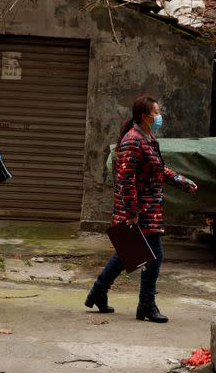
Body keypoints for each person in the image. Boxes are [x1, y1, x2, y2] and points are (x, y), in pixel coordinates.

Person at [85, 95, 198, 323]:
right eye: (156, 113)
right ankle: (146, 305)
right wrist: (131, 212)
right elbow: (126, 179)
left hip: (148, 209)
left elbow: (159, 169)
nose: (159, 116)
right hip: (140, 211)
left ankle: (98, 292)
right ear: (145, 117)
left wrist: (182, 181)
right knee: (153, 256)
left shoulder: (147, 137)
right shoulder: (133, 141)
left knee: (127, 255)